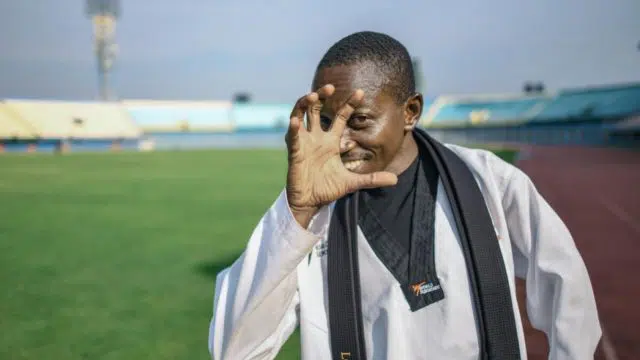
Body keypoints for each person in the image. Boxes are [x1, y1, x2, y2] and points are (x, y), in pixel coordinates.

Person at [208, 31, 601, 359]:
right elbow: (235, 350)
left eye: (358, 121)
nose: (340, 141)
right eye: (326, 122)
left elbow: (570, 297)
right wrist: (297, 212)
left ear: (410, 111)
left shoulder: (489, 183)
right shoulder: (309, 220)